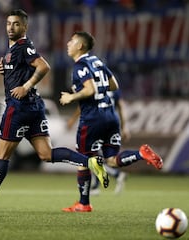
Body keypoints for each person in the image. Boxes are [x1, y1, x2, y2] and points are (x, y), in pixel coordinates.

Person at [0, 9, 108, 212]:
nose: (11, 28)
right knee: (46, 154)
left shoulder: (23, 46)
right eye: (8, 24)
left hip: (18, 107)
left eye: (16, 24)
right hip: (34, 108)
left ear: (25, 27)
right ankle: (90, 161)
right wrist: (5, 67)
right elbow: (22, 68)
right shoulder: (14, 50)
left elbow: (43, 66)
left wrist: (26, 86)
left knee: (1, 156)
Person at [59, 31, 163, 212]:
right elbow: (114, 85)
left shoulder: (79, 66)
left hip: (92, 119)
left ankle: (84, 204)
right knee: (112, 160)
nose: (68, 43)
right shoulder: (97, 62)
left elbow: (90, 89)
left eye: (72, 41)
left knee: (82, 160)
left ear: (80, 46)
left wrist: (72, 97)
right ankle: (141, 154)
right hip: (110, 115)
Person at [66, 89, 129, 195]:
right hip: (111, 124)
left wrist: (72, 120)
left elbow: (83, 105)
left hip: (95, 123)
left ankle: (114, 175)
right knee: (98, 158)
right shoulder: (114, 88)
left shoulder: (92, 85)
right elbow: (121, 107)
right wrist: (124, 127)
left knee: (89, 156)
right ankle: (97, 186)